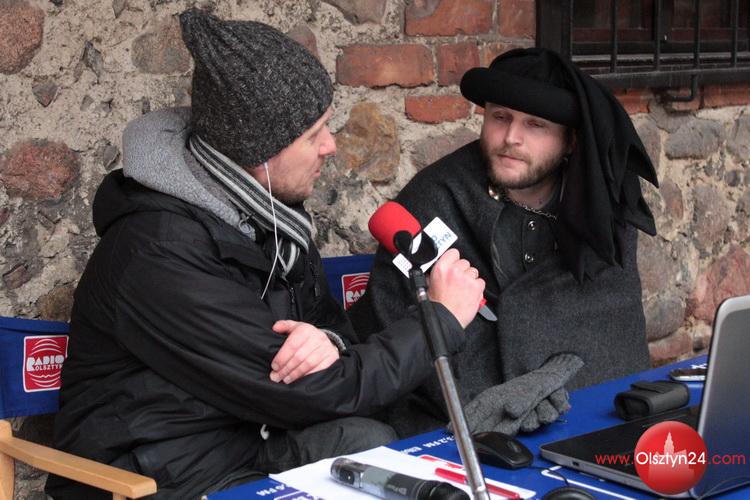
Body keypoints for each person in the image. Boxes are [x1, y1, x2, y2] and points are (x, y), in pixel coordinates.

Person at [45, 8, 485, 499]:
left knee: (372, 443)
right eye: (313, 135)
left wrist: (327, 342)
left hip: (243, 444)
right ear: (258, 153)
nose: (331, 146)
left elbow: (333, 341)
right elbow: (313, 392)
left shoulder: (274, 219)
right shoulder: (157, 251)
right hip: (152, 478)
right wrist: (440, 320)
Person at [349, 48, 659, 439]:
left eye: (535, 125)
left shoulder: (599, 210)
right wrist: (492, 399)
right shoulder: (434, 199)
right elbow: (399, 333)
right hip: (452, 427)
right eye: (500, 117)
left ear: (570, 141)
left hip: (583, 417)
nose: (511, 138)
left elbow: (611, 335)